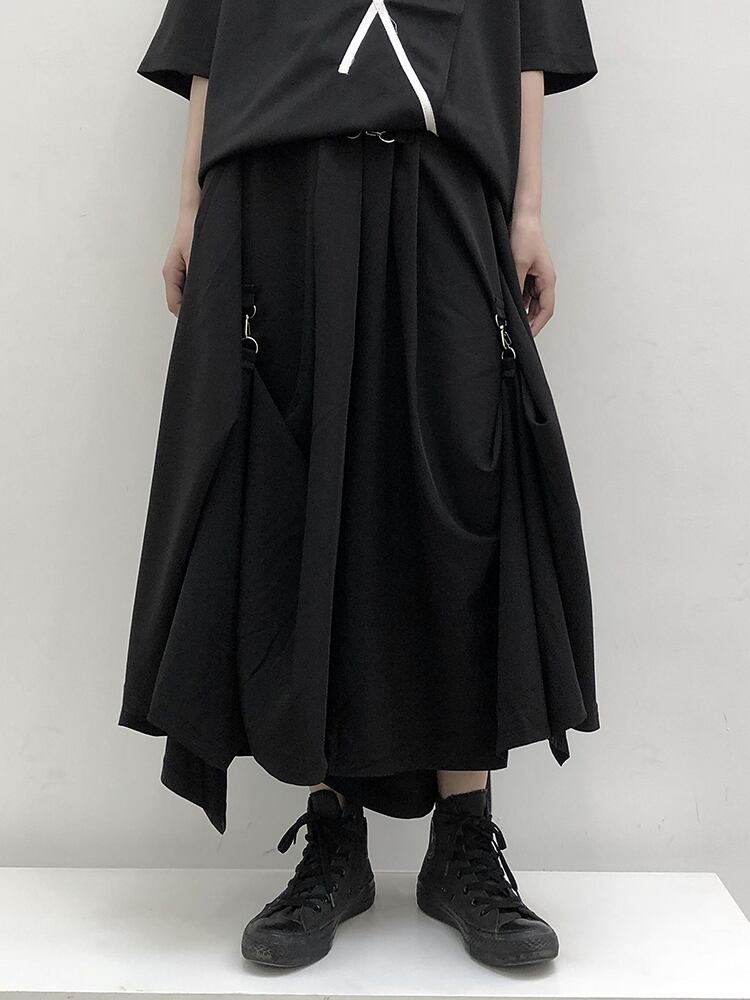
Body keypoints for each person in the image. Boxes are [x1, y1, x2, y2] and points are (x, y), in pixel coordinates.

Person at [119, 0, 601, 971]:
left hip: (445, 171)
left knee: (465, 480)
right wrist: (190, 205)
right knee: (309, 486)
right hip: (282, 176)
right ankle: (333, 832)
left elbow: (530, 24)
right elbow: (215, 23)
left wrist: (528, 210)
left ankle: (463, 837)